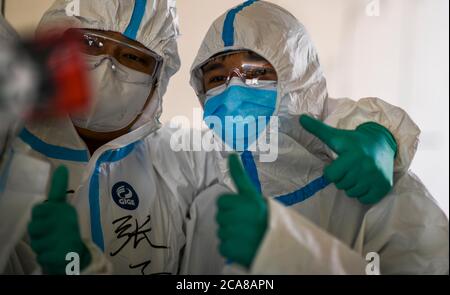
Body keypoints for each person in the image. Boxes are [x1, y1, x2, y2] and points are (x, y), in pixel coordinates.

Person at [184, 0, 449, 274]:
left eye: (256, 72)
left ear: (297, 77)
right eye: (217, 79)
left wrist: (286, 254)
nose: (234, 90)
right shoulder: (201, 195)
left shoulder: (377, 194)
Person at [9, 0, 225, 275]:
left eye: (132, 57)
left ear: (158, 80)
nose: (106, 65)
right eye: (89, 42)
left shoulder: (184, 161)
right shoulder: (8, 150)